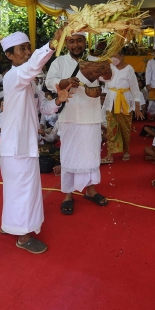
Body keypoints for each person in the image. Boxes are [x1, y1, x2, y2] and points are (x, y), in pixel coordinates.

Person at [0, 30, 70, 253]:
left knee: (22, 189)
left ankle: (14, 225)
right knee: (22, 190)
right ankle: (22, 236)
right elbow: (33, 66)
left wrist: (59, 99)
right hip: (16, 146)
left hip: (26, 144)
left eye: (29, 47)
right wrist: (51, 44)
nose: (28, 52)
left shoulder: (29, 83)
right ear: (9, 55)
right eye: (23, 49)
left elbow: (45, 109)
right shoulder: (14, 76)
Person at [46, 32, 110, 216]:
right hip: (69, 116)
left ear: (85, 42)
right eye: (71, 41)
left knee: (91, 154)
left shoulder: (94, 60)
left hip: (91, 115)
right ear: (66, 43)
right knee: (69, 154)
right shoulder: (59, 62)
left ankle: (90, 191)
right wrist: (65, 81)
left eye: (79, 41)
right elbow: (50, 82)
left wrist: (106, 68)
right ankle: (68, 194)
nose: (76, 45)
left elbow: (107, 78)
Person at [101, 49, 144, 163]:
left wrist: (137, 107)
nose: (113, 58)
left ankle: (126, 151)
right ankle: (110, 154)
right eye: (112, 56)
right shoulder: (110, 67)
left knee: (125, 127)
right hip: (111, 99)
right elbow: (106, 84)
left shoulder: (129, 69)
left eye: (115, 55)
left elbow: (135, 88)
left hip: (125, 100)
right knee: (111, 127)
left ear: (122, 56)